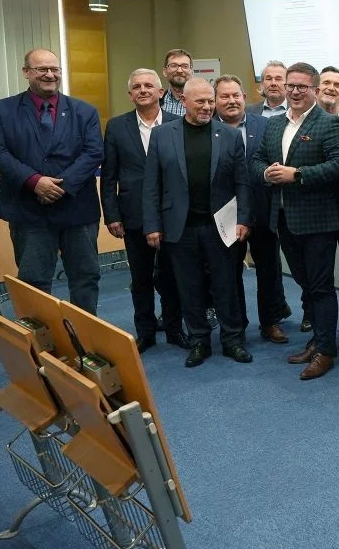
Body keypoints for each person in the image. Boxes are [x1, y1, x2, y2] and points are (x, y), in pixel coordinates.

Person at [141, 78, 252, 367]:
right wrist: (152, 225)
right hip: (179, 227)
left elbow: (242, 182)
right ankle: (199, 341)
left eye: (210, 101)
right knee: (189, 287)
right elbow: (152, 185)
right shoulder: (162, 135)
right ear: (184, 101)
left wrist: (244, 219)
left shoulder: (229, 135)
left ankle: (233, 340)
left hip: (221, 226)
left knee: (226, 285)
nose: (206, 107)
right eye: (200, 101)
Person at [251, 62, 339, 380]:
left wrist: (298, 175)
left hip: (319, 221)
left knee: (321, 287)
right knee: (306, 284)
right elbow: (257, 159)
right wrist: (266, 173)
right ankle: (317, 340)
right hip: (284, 219)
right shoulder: (275, 124)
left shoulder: (329, 123)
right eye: (290, 86)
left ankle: (326, 351)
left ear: (315, 90)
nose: (294, 92)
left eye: (302, 87)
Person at [0, 48, 103, 313]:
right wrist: (34, 181)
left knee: (85, 279)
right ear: (26, 72)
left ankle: (84, 335)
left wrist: (61, 186)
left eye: (54, 69)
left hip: (76, 208)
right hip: (29, 210)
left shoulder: (84, 111)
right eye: (42, 69)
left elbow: (94, 152)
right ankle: (41, 338)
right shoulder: (4, 109)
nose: (50, 74)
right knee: (34, 283)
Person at [101, 68, 187, 351]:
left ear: (160, 92)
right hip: (133, 214)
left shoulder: (178, 123)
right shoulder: (117, 127)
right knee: (141, 278)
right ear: (130, 94)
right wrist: (111, 215)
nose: (143, 90)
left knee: (172, 276)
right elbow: (109, 176)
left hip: (173, 213)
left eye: (149, 85)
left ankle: (174, 329)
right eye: (136, 86)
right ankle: (146, 333)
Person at [214, 74, 290, 345]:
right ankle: (237, 325)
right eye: (224, 96)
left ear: (245, 98)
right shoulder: (208, 129)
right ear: (215, 100)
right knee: (229, 272)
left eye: (236, 95)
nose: (231, 101)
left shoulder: (265, 125)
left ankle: (271, 321)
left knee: (269, 269)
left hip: (262, 209)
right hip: (225, 213)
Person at [159, 48, 193, 118]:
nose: (179, 71)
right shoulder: (156, 102)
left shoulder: (203, 103)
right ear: (165, 72)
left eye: (185, 66)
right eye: (174, 65)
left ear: (191, 72)